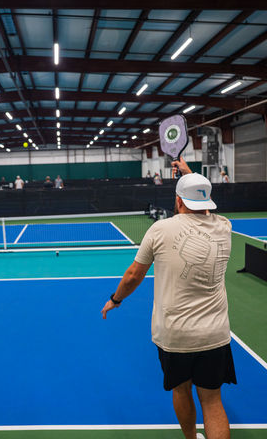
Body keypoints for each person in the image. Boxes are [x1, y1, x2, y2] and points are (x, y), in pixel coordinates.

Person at [102, 158, 234, 439]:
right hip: (214, 334)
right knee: (212, 401)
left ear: (177, 201)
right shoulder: (224, 228)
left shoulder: (160, 230)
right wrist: (190, 176)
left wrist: (116, 299)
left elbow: (133, 276)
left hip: (175, 335)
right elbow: (206, 203)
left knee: (181, 390)